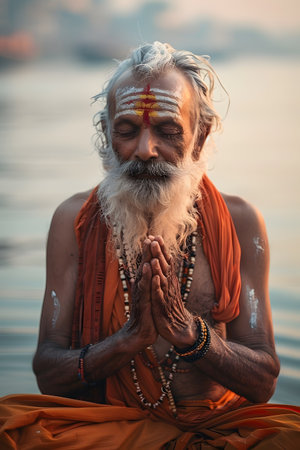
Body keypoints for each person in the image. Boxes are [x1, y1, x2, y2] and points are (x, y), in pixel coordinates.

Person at [0, 41, 299, 449]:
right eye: (126, 131)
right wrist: (126, 342)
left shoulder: (240, 222)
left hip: (217, 429)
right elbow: (48, 372)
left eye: (167, 130)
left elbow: (263, 381)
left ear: (200, 135)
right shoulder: (73, 221)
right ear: (106, 135)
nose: (144, 150)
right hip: (104, 429)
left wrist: (191, 335)